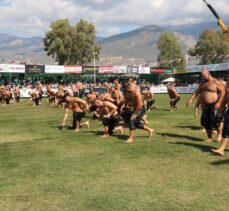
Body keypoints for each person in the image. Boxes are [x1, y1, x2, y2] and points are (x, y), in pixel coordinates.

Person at [187, 69, 226, 142]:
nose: (203, 78)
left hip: (214, 104)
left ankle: (219, 135)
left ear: (208, 74)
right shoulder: (203, 82)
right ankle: (210, 138)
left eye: (204, 76)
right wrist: (191, 99)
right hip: (205, 105)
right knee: (205, 121)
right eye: (202, 76)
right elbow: (197, 91)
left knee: (215, 121)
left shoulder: (216, 82)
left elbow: (222, 92)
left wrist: (218, 103)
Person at [211, 72, 229, 155]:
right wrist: (221, 107)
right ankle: (221, 149)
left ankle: (221, 149)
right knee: (226, 130)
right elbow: (225, 95)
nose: (228, 75)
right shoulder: (227, 84)